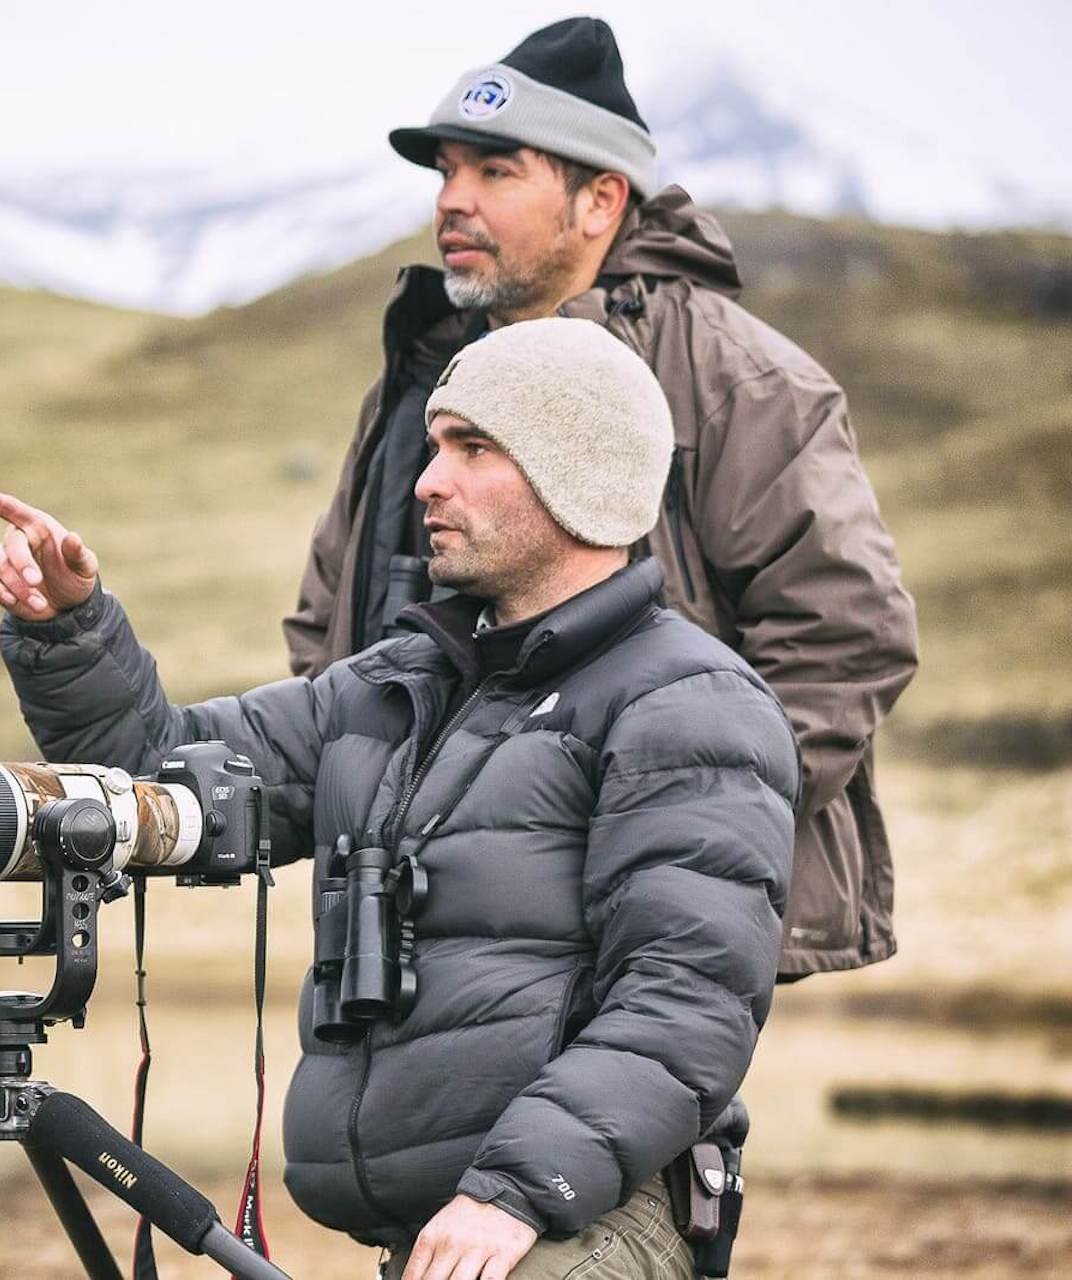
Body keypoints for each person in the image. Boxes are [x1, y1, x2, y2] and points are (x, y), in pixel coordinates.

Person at [0, 318, 799, 1280]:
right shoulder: (391, 685)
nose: (425, 480)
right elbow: (163, 772)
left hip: (592, 1214)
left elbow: (686, 1002)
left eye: (472, 447)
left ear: (576, 475)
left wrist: (514, 1194)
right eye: (435, 443)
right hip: (453, 1227)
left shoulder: (688, 703)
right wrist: (72, 630)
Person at [283, 16, 915, 979]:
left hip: (619, 929)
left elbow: (848, 634)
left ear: (600, 200)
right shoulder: (420, 378)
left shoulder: (735, 381)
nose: (451, 200)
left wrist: (671, 834)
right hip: (396, 916)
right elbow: (334, 620)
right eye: (446, 171)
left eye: (495, 172)